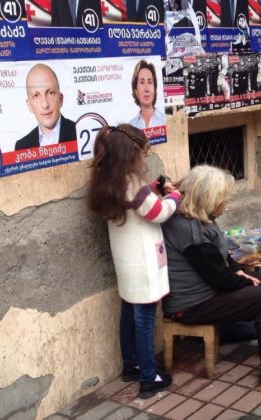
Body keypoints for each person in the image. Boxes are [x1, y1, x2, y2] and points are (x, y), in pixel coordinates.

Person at [161, 165, 261, 385]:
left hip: (206, 294)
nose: (226, 202)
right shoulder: (190, 231)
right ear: (208, 198)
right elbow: (218, 276)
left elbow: (220, 256)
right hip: (190, 307)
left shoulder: (198, 217)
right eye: (223, 197)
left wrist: (238, 270)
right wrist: (242, 279)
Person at [87, 124, 180, 400]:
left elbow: (138, 201)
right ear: (130, 154)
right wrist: (174, 196)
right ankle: (149, 376)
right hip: (143, 263)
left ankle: (131, 365)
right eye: (143, 153)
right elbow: (157, 212)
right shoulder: (132, 182)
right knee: (145, 319)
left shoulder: (109, 180)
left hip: (126, 264)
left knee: (128, 312)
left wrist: (153, 187)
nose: (144, 158)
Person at [15, 64, 76, 151]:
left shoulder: (80, 134)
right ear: (29, 106)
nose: (45, 104)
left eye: (50, 93)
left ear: (60, 99)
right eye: (36, 95)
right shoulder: (21, 147)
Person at [129, 60, 165, 130]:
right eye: (142, 82)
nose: (146, 89)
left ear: (155, 89)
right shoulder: (131, 126)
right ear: (135, 91)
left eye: (150, 82)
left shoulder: (166, 120)